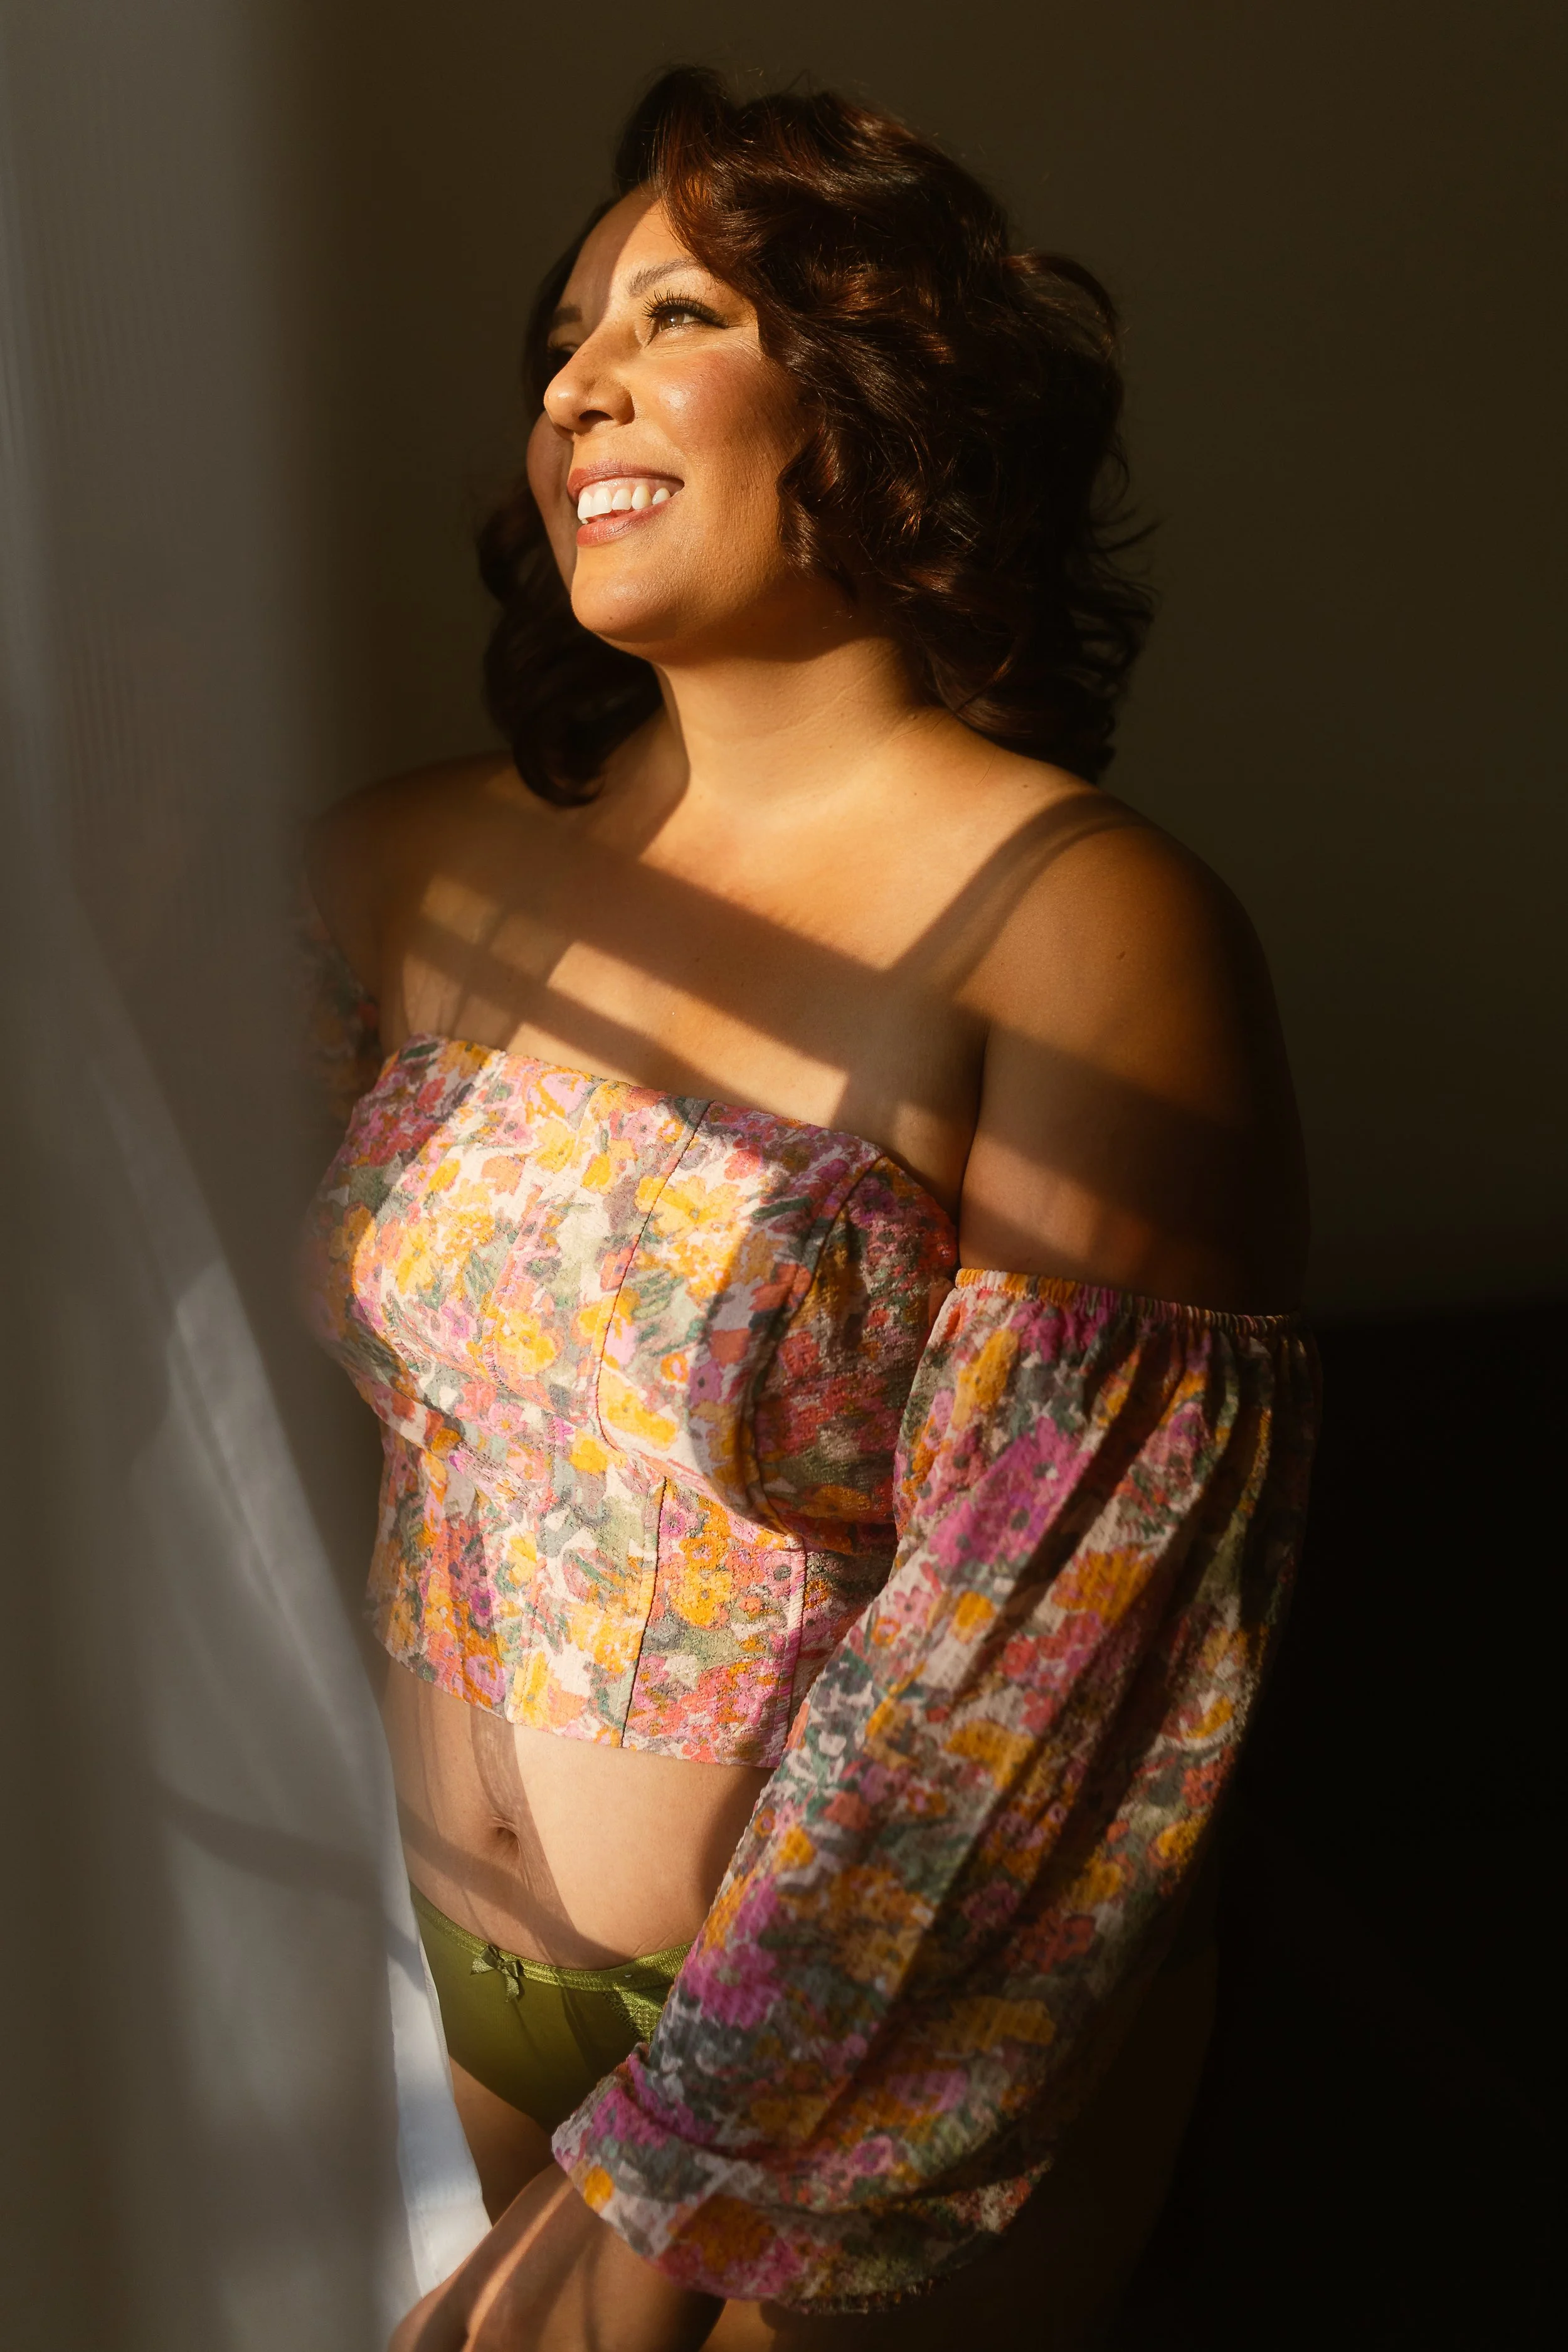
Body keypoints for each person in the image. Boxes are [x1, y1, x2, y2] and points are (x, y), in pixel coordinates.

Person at [301, 67, 1316, 2352]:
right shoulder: (411, 872)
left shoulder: (1081, 926)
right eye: (569, 334)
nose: (583, 381)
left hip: (884, 2098)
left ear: (884, 401)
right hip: (449, 1982)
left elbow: (1040, 1679)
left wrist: (680, 2196)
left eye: (679, 314)